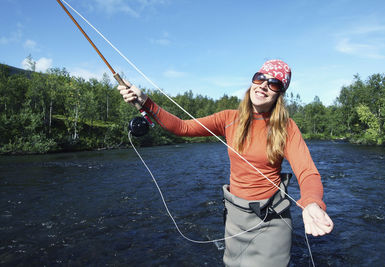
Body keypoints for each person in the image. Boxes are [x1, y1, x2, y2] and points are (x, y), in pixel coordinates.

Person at [118, 59, 334, 266]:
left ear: (280, 93)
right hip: (235, 217)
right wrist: (144, 100)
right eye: (259, 78)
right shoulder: (228, 118)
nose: (263, 86)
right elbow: (182, 127)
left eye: (274, 83)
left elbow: (307, 172)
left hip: (271, 221)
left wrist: (312, 202)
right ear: (252, 81)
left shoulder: (286, 127)